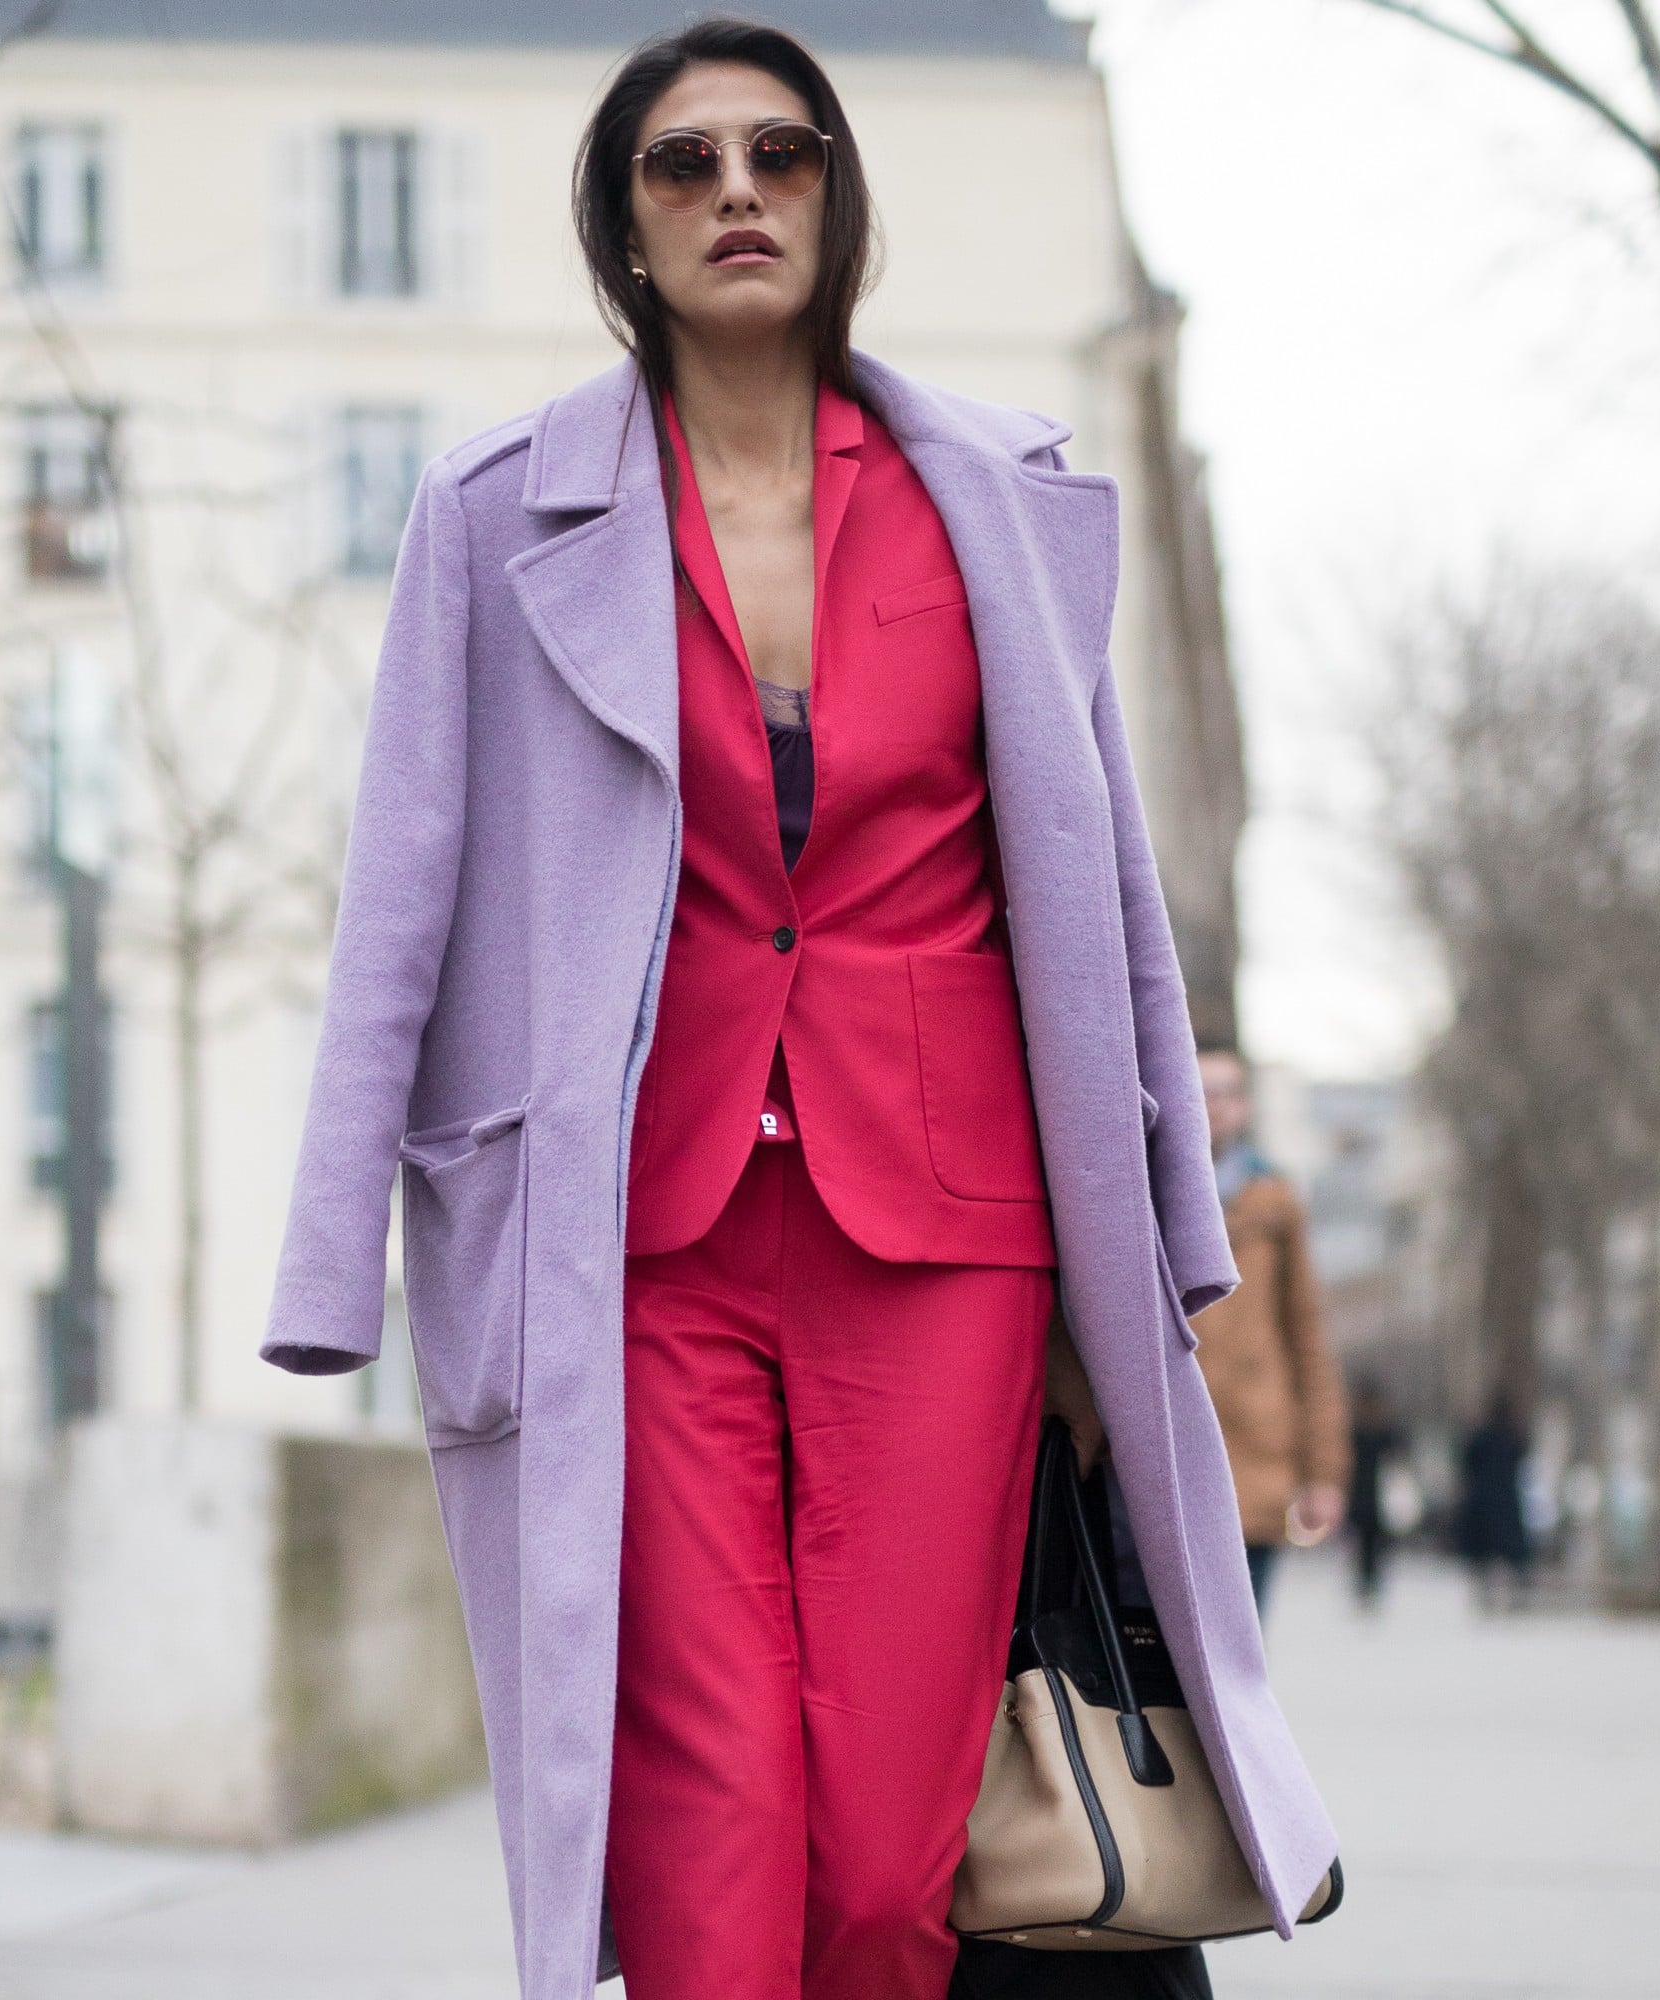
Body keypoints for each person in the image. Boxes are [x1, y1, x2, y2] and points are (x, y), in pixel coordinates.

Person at [261, 21, 1336, 2000]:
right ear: (626, 224)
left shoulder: (995, 500)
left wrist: (1162, 1242)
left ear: (839, 198)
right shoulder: (493, 516)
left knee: (882, 1855)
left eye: (783, 152)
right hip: (632, 1241)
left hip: (948, 1232)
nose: (737, 189)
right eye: (683, 163)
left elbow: (1101, 892)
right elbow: (398, 889)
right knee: (709, 1828)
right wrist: (334, 1252)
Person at [1187, 1044, 1349, 1613]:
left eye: (1229, 1092)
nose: (1216, 1107)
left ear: (1247, 1106)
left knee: (1242, 1649)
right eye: (1203, 1090)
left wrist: (1323, 1473)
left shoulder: (1276, 1203)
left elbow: (1308, 1341)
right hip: (1165, 1454)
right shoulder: (1144, 1192)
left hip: (1256, 1457)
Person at [1456, 1395, 1532, 1610]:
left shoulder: (1488, 1438)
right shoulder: (1508, 1438)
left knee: (1494, 1551)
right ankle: (1503, 1592)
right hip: (1500, 1501)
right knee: (1501, 1549)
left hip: (1489, 1501)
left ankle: (1498, 1592)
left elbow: (1467, 1464)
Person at [1346, 1377, 1406, 1607]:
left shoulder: (1378, 1433)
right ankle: (1367, 1584)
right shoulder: (1364, 1433)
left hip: (1376, 1499)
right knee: (1366, 1546)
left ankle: (1370, 1584)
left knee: (1373, 1546)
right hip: (1367, 1499)